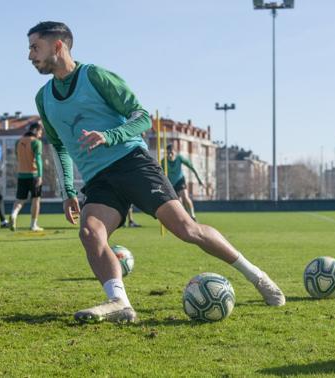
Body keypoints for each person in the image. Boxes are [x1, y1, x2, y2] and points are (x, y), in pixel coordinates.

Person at [27, 21, 285, 323]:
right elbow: (58, 146)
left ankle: (256, 276)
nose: (30, 55)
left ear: (58, 46)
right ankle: (119, 303)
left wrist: (110, 135)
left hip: (132, 163)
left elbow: (142, 117)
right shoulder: (43, 98)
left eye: (35, 47)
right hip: (99, 180)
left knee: (187, 229)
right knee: (90, 233)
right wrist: (69, 191)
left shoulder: (95, 76)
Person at [9, 122, 45, 232]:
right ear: (35, 130)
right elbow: (38, 160)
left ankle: (13, 215)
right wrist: (40, 175)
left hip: (21, 175)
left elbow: (17, 156)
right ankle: (33, 225)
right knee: (36, 199)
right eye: (40, 132)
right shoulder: (36, 142)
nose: (41, 134)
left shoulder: (18, 142)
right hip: (33, 175)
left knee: (20, 199)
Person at [161, 144, 203, 221]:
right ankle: (185, 216)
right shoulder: (164, 161)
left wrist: (199, 179)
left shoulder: (179, 158)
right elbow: (160, 173)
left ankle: (192, 216)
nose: (170, 155)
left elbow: (192, 167)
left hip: (180, 180)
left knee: (185, 197)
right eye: (168, 153)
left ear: (175, 152)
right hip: (171, 183)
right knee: (178, 201)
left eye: (172, 152)